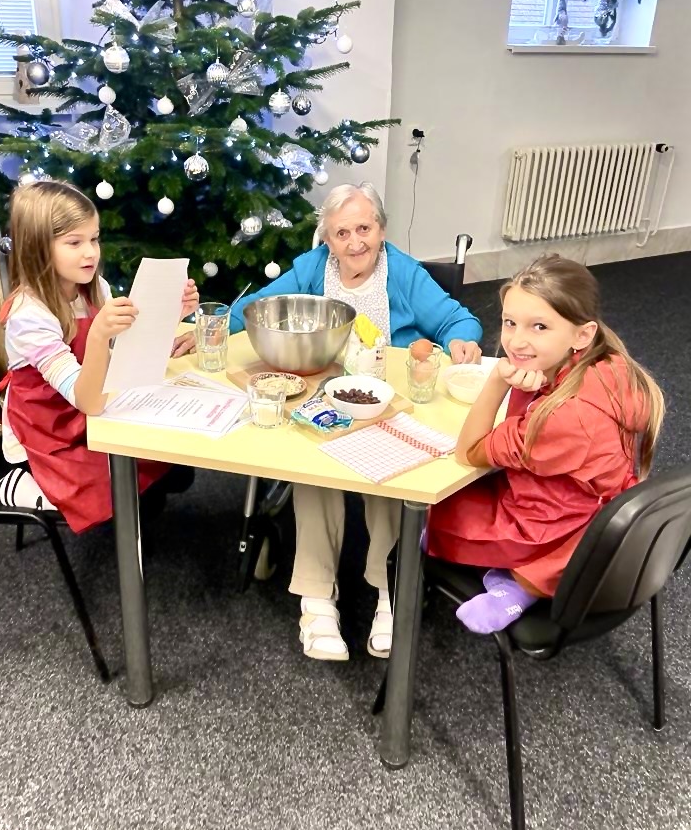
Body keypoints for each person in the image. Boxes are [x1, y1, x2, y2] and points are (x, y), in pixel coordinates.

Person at [230, 182, 483, 661]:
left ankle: (389, 590)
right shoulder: (312, 270)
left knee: (389, 475)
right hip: (322, 399)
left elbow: (458, 320)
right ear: (327, 239)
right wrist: (211, 323)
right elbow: (255, 307)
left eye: (364, 229)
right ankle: (315, 597)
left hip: (385, 402)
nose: (354, 243)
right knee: (312, 471)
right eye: (341, 233)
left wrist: (461, 341)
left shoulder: (402, 273)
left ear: (381, 230)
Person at [424, 254, 665, 633]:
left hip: (552, 529)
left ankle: (523, 583)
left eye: (539, 326)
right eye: (510, 322)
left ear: (582, 335)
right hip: (591, 514)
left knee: (427, 513)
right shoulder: (611, 365)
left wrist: (499, 380)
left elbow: (469, 452)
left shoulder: (561, 420)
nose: (517, 341)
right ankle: (525, 581)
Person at [0, 180, 199, 533]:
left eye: (94, 239)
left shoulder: (94, 288)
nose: (91, 253)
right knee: (126, 497)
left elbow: (127, 351)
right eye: (74, 243)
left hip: (89, 406)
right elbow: (87, 400)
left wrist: (172, 314)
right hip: (51, 431)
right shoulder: (28, 315)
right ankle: (21, 486)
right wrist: (100, 336)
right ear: (37, 247)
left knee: (174, 467)